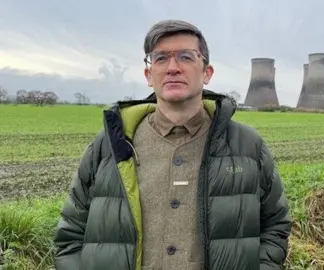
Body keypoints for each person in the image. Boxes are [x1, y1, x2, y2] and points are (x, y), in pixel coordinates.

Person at [53, 19, 292, 270]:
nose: (173, 67)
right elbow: (70, 236)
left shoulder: (247, 146)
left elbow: (275, 226)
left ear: (207, 72)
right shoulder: (109, 147)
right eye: (160, 59)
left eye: (186, 57)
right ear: (148, 75)